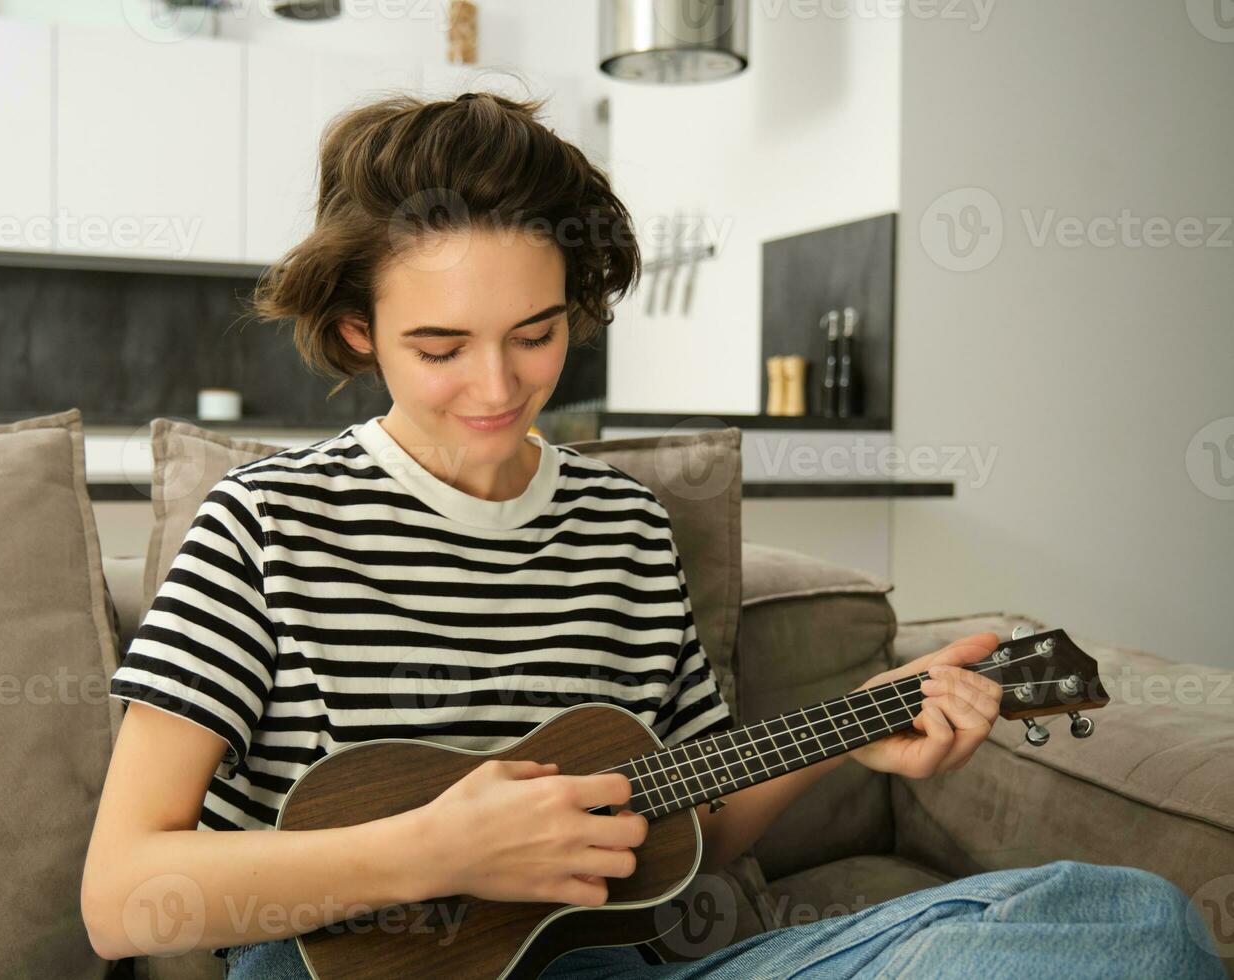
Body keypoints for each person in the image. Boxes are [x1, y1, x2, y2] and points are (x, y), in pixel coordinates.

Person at [78, 91, 1222, 980]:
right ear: (355, 329)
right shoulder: (262, 525)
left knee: (1127, 919)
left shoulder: (622, 526)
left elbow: (692, 830)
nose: (496, 384)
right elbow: (123, 889)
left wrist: (862, 722)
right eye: (440, 346)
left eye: (536, 333)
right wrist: (435, 854)